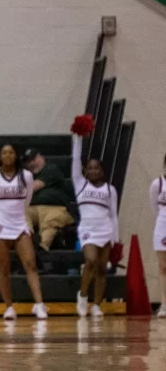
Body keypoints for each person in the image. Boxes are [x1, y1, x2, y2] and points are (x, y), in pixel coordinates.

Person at [0, 145, 48, 320]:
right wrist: (1, 214)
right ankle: (9, 307)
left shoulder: (26, 175)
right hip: (0, 224)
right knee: (4, 267)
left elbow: (27, 199)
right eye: (4, 152)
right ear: (0, 157)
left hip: (19, 223)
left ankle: (39, 304)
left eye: (11, 152)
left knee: (30, 264)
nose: (8, 155)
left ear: (15, 156)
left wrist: (16, 213)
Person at [71, 134, 118, 318]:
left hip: (106, 229)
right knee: (90, 260)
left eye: (96, 167)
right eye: (89, 168)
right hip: (87, 229)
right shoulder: (80, 184)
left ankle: (97, 305)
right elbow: (75, 160)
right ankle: (82, 295)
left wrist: (115, 239)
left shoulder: (110, 190)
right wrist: (78, 139)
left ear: (101, 171)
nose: (92, 170)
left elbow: (113, 215)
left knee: (101, 269)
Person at [23, 147, 75, 251]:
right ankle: (29, 240)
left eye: (34, 159)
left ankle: (41, 247)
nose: (31, 163)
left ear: (41, 158)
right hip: (32, 209)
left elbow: (30, 188)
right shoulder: (26, 175)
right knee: (20, 214)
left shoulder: (51, 169)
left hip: (56, 208)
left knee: (50, 222)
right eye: (28, 162)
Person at [149, 156, 166, 318]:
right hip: (162, 227)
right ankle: (164, 304)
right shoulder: (157, 183)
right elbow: (154, 207)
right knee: (163, 266)